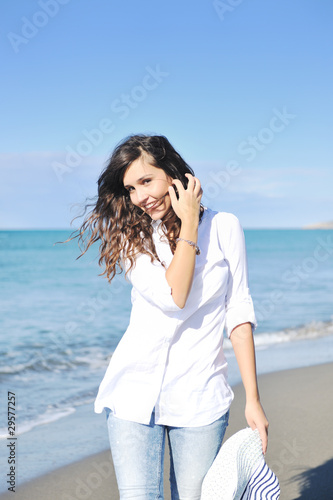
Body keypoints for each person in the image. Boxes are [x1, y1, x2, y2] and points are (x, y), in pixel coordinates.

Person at [74, 134, 268, 500]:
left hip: (200, 398)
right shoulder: (133, 236)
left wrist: (253, 400)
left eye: (146, 181)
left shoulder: (225, 226)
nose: (139, 197)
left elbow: (239, 314)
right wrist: (190, 225)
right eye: (130, 188)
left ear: (172, 171)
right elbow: (174, 296)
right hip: (133, 395)